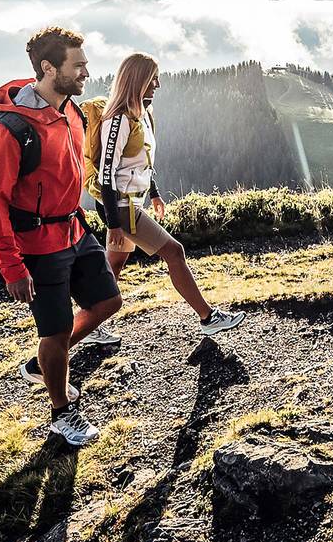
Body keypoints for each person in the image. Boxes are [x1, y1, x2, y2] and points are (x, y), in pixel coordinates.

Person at [0, 26, 122, 447]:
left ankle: (44, 363)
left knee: (108, 301)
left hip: (75, 229)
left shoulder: (71, 111)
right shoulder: (9, 130)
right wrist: (11, 266)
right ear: (48, 68)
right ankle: (62, 412)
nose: (85, 72)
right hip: (38, 248)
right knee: (55, 331)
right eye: (77, 65)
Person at [81, 52, 245, 338]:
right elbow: (106, 174)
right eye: (152, 78)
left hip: (131, 201)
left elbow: (143, 161)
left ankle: (90, 324)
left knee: (115, 264)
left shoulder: (142, 114)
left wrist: (154, 193)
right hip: (120, 206)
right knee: (174, 251)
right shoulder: (117, 120)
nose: (157, 83)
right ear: (138, 80)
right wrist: (113, 223)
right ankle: (208, 318)